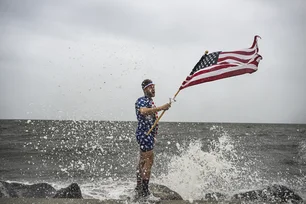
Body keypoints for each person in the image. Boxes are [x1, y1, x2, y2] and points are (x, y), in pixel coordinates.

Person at [134, 79, 171, 197]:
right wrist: (161, 107)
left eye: (154, 86)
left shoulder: (149, 101)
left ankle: (139, 186)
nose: (153, 89)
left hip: (148, 135)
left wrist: (154, 136)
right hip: (144, 133)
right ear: (145, 89)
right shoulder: (142, 100)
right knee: (148, 161)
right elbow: (143, 111)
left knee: (143, 160)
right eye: (150, 87)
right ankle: (144, 191)